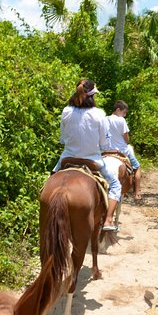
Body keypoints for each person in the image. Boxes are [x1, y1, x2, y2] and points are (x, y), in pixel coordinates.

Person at [52, 79, 121, 231]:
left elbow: (62, 138)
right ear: (92, 96)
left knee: (51, 180)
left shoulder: (66, 111)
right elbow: (104, 144)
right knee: (116, 185)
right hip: (93, 160)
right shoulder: (99, 114)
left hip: (66, 158)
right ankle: (108, 220)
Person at [105, 100, 142, 200]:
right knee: (137, 167)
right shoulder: (121, 120)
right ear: (118, 110)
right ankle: (137, 192)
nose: (124, 115)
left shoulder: (104, 119)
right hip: (121, 150)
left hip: (105, 150)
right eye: (124, 112)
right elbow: (126, 138)